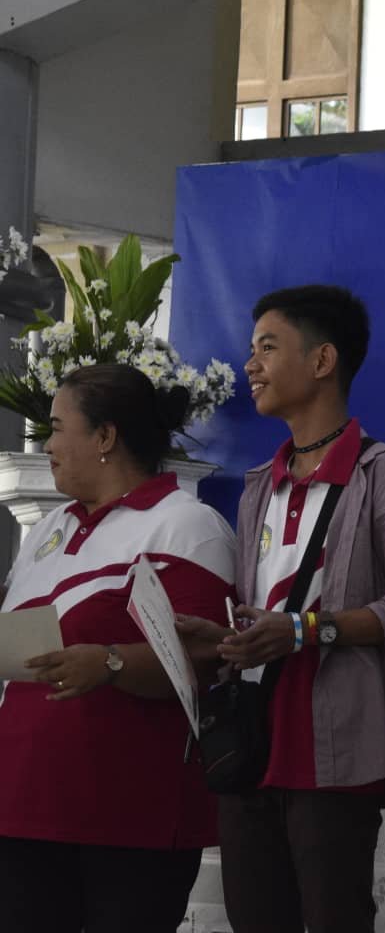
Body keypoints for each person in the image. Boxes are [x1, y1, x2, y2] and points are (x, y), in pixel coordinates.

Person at [195, 285, 385, 933]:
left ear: (322, 360)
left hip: (335, 753)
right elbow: (261, 611)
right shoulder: (259, 484)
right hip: (250, 742)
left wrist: (308, 630)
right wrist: (218, 635)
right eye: (252, 349)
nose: (250, 365)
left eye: (267, 347)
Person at [0, 364, 236, 932]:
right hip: (23, 806)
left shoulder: (186, 525)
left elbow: (202, 661)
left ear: (105, 436)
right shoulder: (48, 528)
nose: (46, 445)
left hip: (129, 816)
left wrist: (109, 663)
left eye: (57, 428)